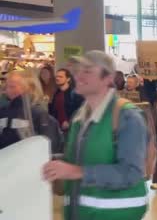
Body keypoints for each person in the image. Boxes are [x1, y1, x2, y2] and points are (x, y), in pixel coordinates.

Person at [43, 50, 149, 220]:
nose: (79, 76)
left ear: (108, 78)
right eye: (78, 71)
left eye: (87, 71)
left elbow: (130, 172)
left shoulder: (127, 117)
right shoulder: (79, 118)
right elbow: (78, 158)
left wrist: (78, 172)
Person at [0, 70, 57, 149]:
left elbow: (49, 144)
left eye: (12, 87)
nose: (7, 90)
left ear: (29, 88)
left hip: (26, 159)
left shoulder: (38, 113)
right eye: (6, 87)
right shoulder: (3, 111)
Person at [49, 68, 84, 134]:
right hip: (58, 129)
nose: (57, 78)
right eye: (56, 76)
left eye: (60, 77)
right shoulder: (56, 93)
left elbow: (81, 111)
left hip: (71, 129)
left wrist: (69, 121)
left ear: (68, 79)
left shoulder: (75, 94)